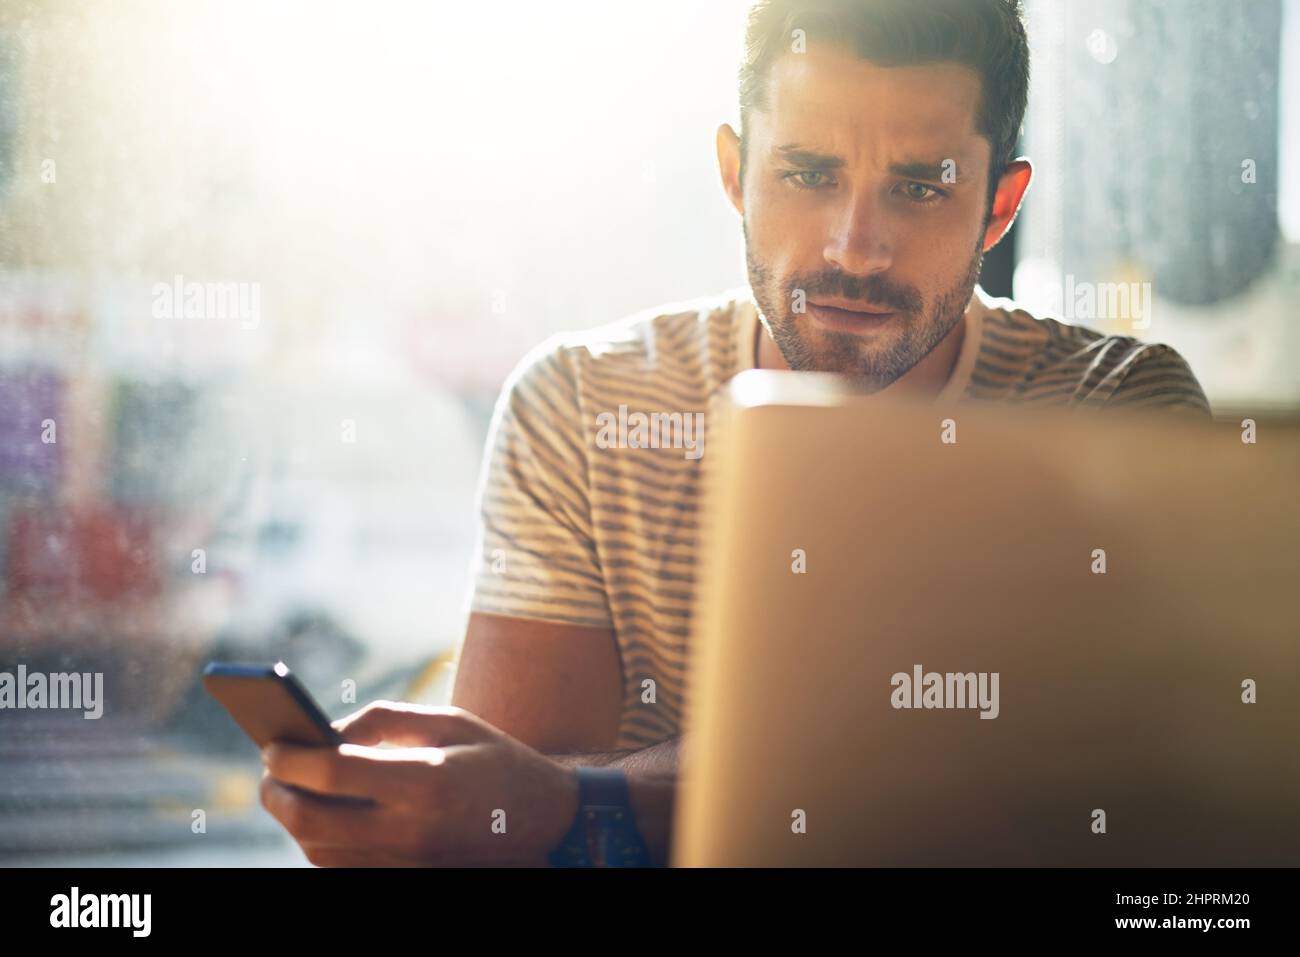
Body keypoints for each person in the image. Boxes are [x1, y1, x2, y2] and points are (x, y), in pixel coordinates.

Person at [260, 0, 1209, 867]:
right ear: (733, 172)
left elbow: (1095, 804)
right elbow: (511, 830)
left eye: (920, 187)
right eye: (807, 173)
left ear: (999, 207)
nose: (853, 246)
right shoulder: (583, 409)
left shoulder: (1116, 412)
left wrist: (582, 801)